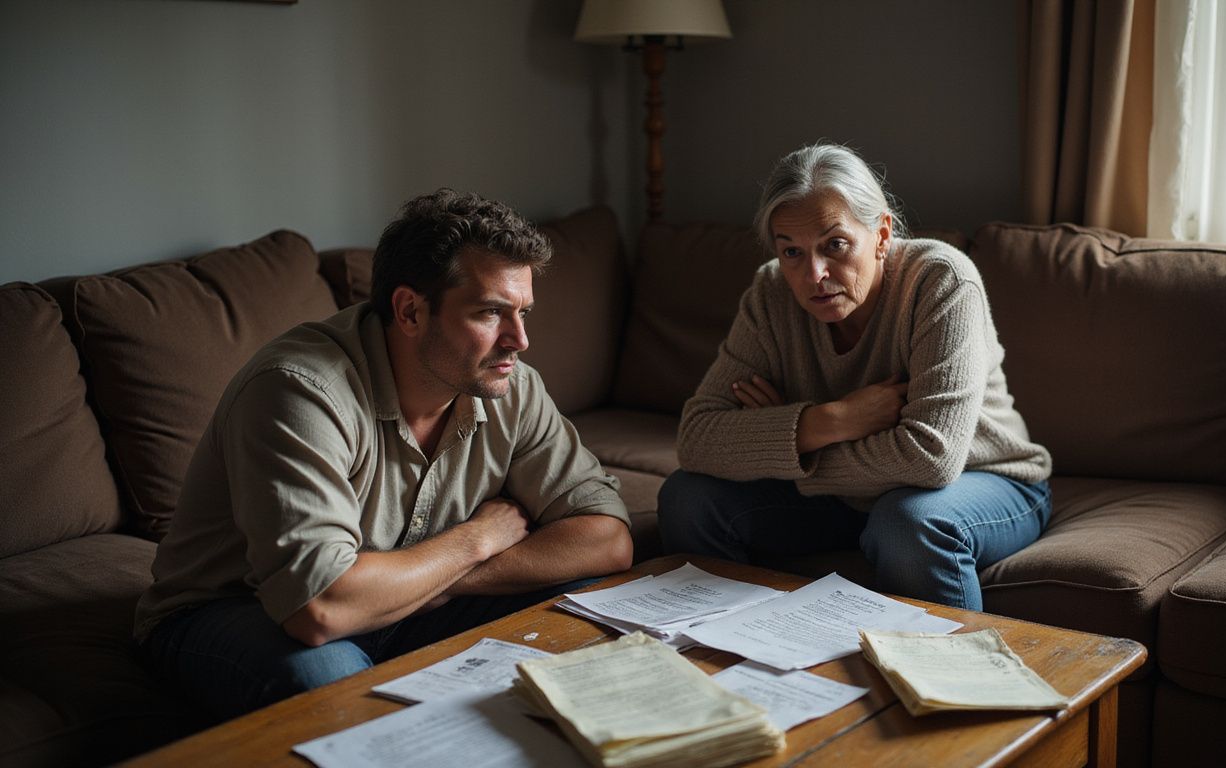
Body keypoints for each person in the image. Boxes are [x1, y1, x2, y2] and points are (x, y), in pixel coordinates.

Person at [135, 190, 633, 721]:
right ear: (410, 311)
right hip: (234, 610)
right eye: (491, 312)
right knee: (329, 681)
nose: (520, 340)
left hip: (401, 608)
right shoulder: (299, 391)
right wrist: (476, 540)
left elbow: (607, 539)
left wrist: (431, 581)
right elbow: (321, 608)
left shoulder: (510, 386)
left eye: (523, 312)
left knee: (587, 606)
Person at [658, 143, 1051, 611]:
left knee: (905, 523)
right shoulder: (771, 291)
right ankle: (731, 645)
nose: (814, 274)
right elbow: (697, 438)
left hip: (984, 479)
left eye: (835, 245)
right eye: (791, 251)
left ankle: (953, 661)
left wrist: (786, 448)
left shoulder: (941, 280)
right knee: (687, 497)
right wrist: (831, 420)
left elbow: (931, 459)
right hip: (847, 497)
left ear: (882, 234)